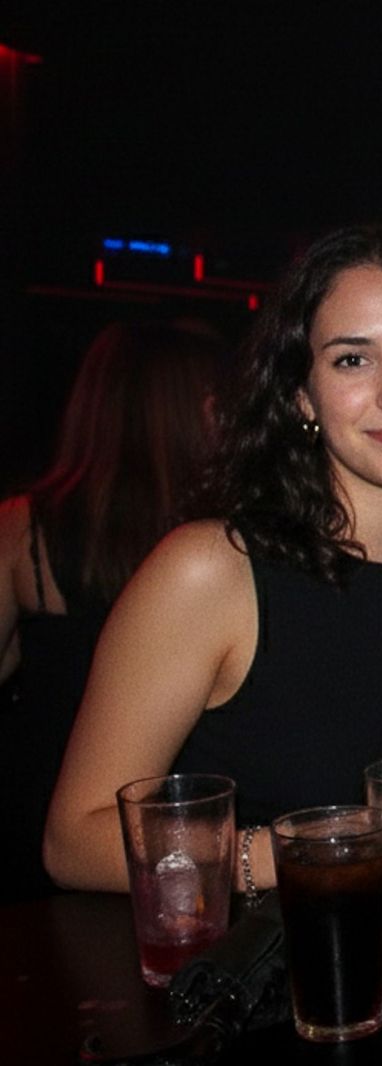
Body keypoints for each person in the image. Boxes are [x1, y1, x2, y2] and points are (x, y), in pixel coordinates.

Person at [43, 224, 382, 893]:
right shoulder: (211, 571)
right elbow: (75, 839)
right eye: (352, 360)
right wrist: (318, 849)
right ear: (302, 395)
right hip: (269, 983)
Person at [0, 321, 225, 902]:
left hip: (58, 841)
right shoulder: (223, 548)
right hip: (169, 851)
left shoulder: (27, 529)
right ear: (195, 410)